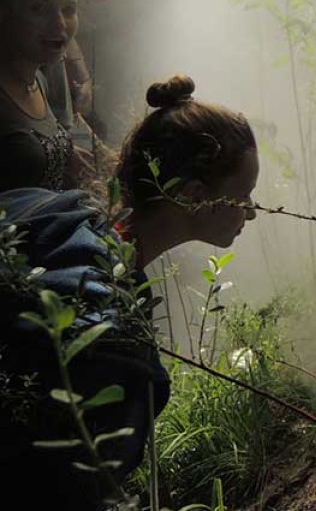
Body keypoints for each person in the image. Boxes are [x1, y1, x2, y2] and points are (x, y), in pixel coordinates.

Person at [0, 74, 259, 510]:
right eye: (243, 196)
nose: (250, 212)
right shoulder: (114, 347)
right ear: (194, 195)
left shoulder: (56, 214)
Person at [0, 0, 82, 192]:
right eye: (39, 9)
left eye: (69, 10)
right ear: (4, 12)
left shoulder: (39, 81)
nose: (60, 23)